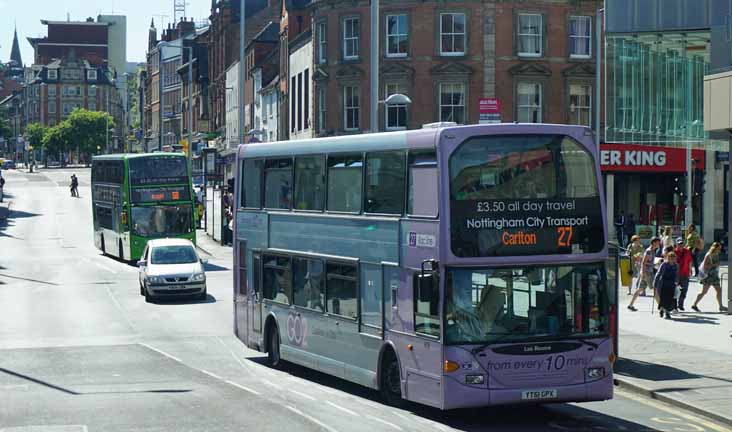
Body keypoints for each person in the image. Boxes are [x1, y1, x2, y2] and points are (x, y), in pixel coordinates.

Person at [691, 242, 728, 313]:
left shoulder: (716, 254)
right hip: (708, 276)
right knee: (704, 292)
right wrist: (714, 264)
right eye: (719, 248)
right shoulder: (709, 255)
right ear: (715, 248)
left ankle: (721, 306)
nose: (720, 250)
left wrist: (716, 264)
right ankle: (694, 305)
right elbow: (705, 266)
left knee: (719, 290)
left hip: (714, 276)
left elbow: (717, 263)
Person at [627, 237, 661, 311]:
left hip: (647, 272)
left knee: (640, 289)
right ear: (654, 243)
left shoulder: (652, 251)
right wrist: (643, 272)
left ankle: (630, 305)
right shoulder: (649, 251)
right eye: (658, 242)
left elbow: (648, 262)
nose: (659, 244)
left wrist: (654, 264)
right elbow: (643, 262)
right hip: (648, 273)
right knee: (655, 289)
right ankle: (661, 307)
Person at [653, 250, 678, 319]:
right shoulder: (664, 264)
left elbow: (676, 275)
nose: (672, 259)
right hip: (663, 284)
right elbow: (658, 273)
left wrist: (677, 283)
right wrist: (655, 283)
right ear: (668, 258)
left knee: (670, 299)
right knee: (663, 299)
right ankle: (661, 309)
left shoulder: (676, 265)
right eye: (670, 258)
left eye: (673, 258)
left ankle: (667, 312)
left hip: (671, 284)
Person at [674, 237, 692, 311]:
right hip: (676, 274)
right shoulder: (674, 252)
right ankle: (674, 306)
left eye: (682, 243)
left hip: (685, 273)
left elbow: (690, 261)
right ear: (676, 244)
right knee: (675, 290)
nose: (681, 245)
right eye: (679, 244)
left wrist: (690, 271)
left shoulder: (687, 251)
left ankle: (680, 304)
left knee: (684, 290)